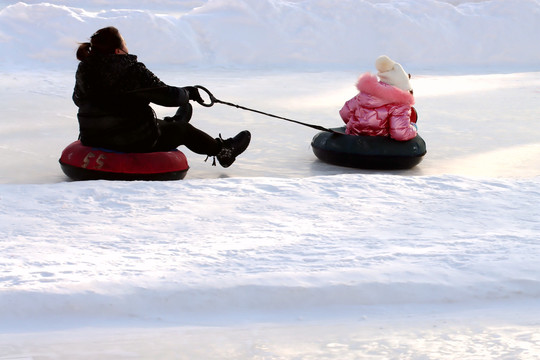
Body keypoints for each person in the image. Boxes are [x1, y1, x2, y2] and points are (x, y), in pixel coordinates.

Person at [73, 26, 250, 168]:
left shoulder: (85, 69)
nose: (127, 46)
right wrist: (188, 93)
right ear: (118, 50)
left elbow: (77, 100)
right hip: (130, 139)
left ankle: (170, 124)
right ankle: (223, 152)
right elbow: (168, 96)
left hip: (93, 135)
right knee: (183, 130)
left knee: (137, 118)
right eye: (125, 43)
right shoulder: (131, 69)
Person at [339, 55, 418, 141]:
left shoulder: (366, 93)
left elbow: (345, 112)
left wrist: (357, 125)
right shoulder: (401, 104)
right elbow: (400, 133)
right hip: (379, 141)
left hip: (355, 135)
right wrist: (414, 128)